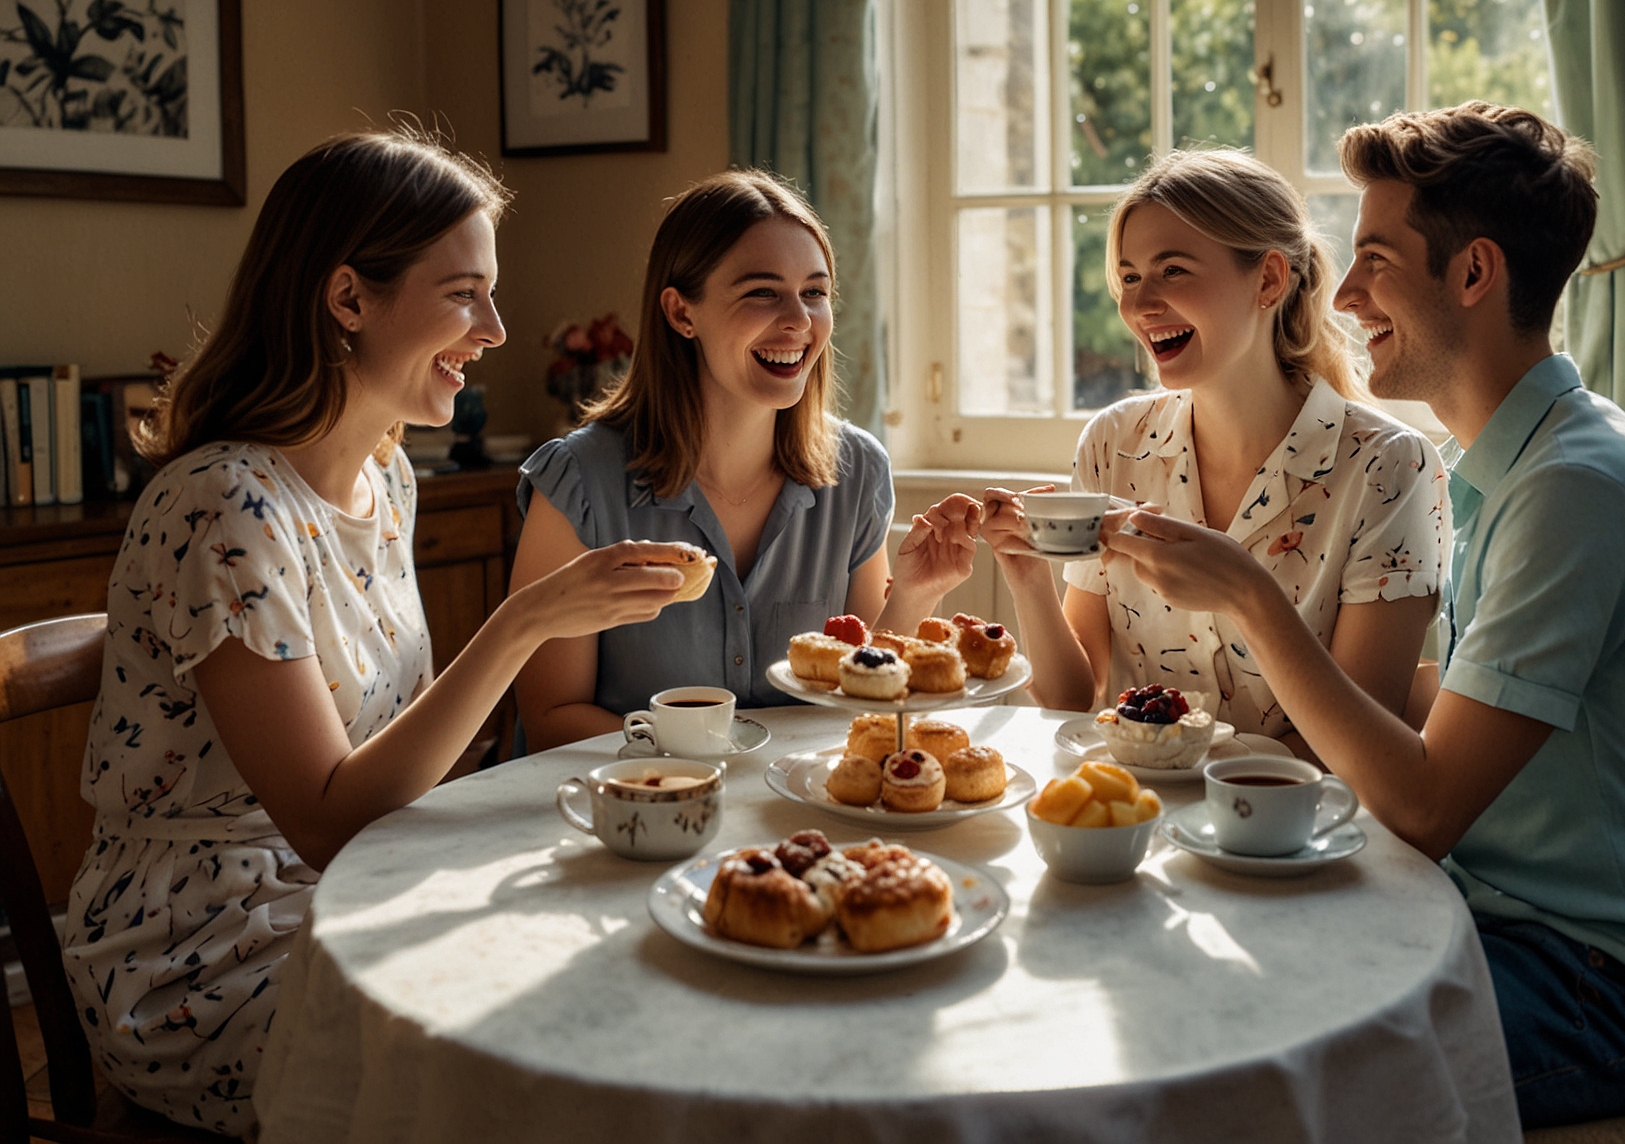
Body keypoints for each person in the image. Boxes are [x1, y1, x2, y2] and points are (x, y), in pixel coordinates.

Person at [1103, 103, 1625, 1129]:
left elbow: (1424, 805)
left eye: (1372, 258)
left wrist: (1250, 595)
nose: (1344, 292)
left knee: (1229, 1065)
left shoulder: (1579, 489)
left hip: (1601, 984)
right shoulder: (1504, 473)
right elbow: (1437, 737)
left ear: (1474, 274)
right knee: (1161, 964)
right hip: (1477, 914)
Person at [61, 130, 699, 1136]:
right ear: (348, 298)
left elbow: (392, 759)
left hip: (357, 892)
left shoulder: (386, 479)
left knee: (626, 955)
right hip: (205, 955)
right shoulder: (224, 506)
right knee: (550, 1042)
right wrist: (527, 620)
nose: (494, 328)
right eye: (463, 294)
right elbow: (327, 817)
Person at [962, 149, 1449, 758]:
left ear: (1269, 279)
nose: (1140, 307)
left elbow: (1358, 746)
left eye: (1174, 271)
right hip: (1137, 817)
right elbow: (1070, 698)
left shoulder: (1388, 467)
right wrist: (1027, 576)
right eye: (1131, 277)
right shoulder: (1113, 441)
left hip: (1290, 832)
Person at [508, 171, 970, 751]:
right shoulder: (579, 482)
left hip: (789, 825)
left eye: (815, 292)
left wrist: (915, 596)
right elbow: (553, 717)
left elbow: (862, 693)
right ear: (681, 314)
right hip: (631, 813)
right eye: (762, 292)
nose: (800, 321)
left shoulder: (857, 473)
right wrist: (726, 761)